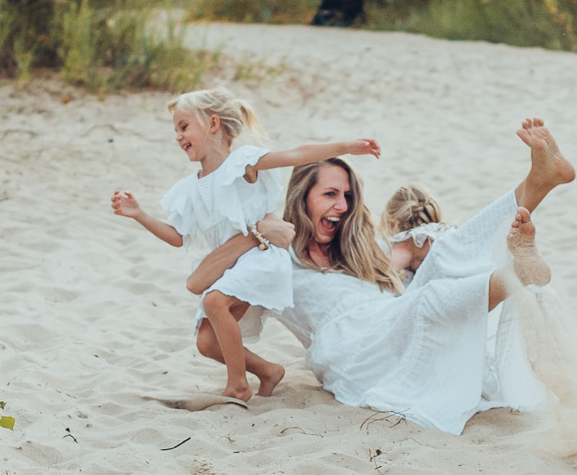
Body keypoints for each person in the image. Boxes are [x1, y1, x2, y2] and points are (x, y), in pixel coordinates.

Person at [186, 121, 577, 434]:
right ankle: (513, 276)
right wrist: (254, 236)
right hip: (350, 347)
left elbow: (430, 247)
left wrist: (427, 246)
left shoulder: (355, 245)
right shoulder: (273, 254)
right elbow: (202, 298)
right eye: (330, 195)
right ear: (302, 196)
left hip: (389, 317)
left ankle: (539, 183)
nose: (342, 206)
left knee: (444, 253)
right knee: (428, 302)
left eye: (347, 196)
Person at [111, 87, 381, 405]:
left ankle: (237, 386)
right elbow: (176, 236)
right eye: (175, 130)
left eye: (184, 127)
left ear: (213, 124)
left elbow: (297, 154)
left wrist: (347, 146)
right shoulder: (188, 189)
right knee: (208, 342)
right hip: (230, 264)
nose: (178, 136)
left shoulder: (243, 163)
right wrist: (139, 214)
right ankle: (268, 371)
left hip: (260, 256)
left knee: (214, 303)